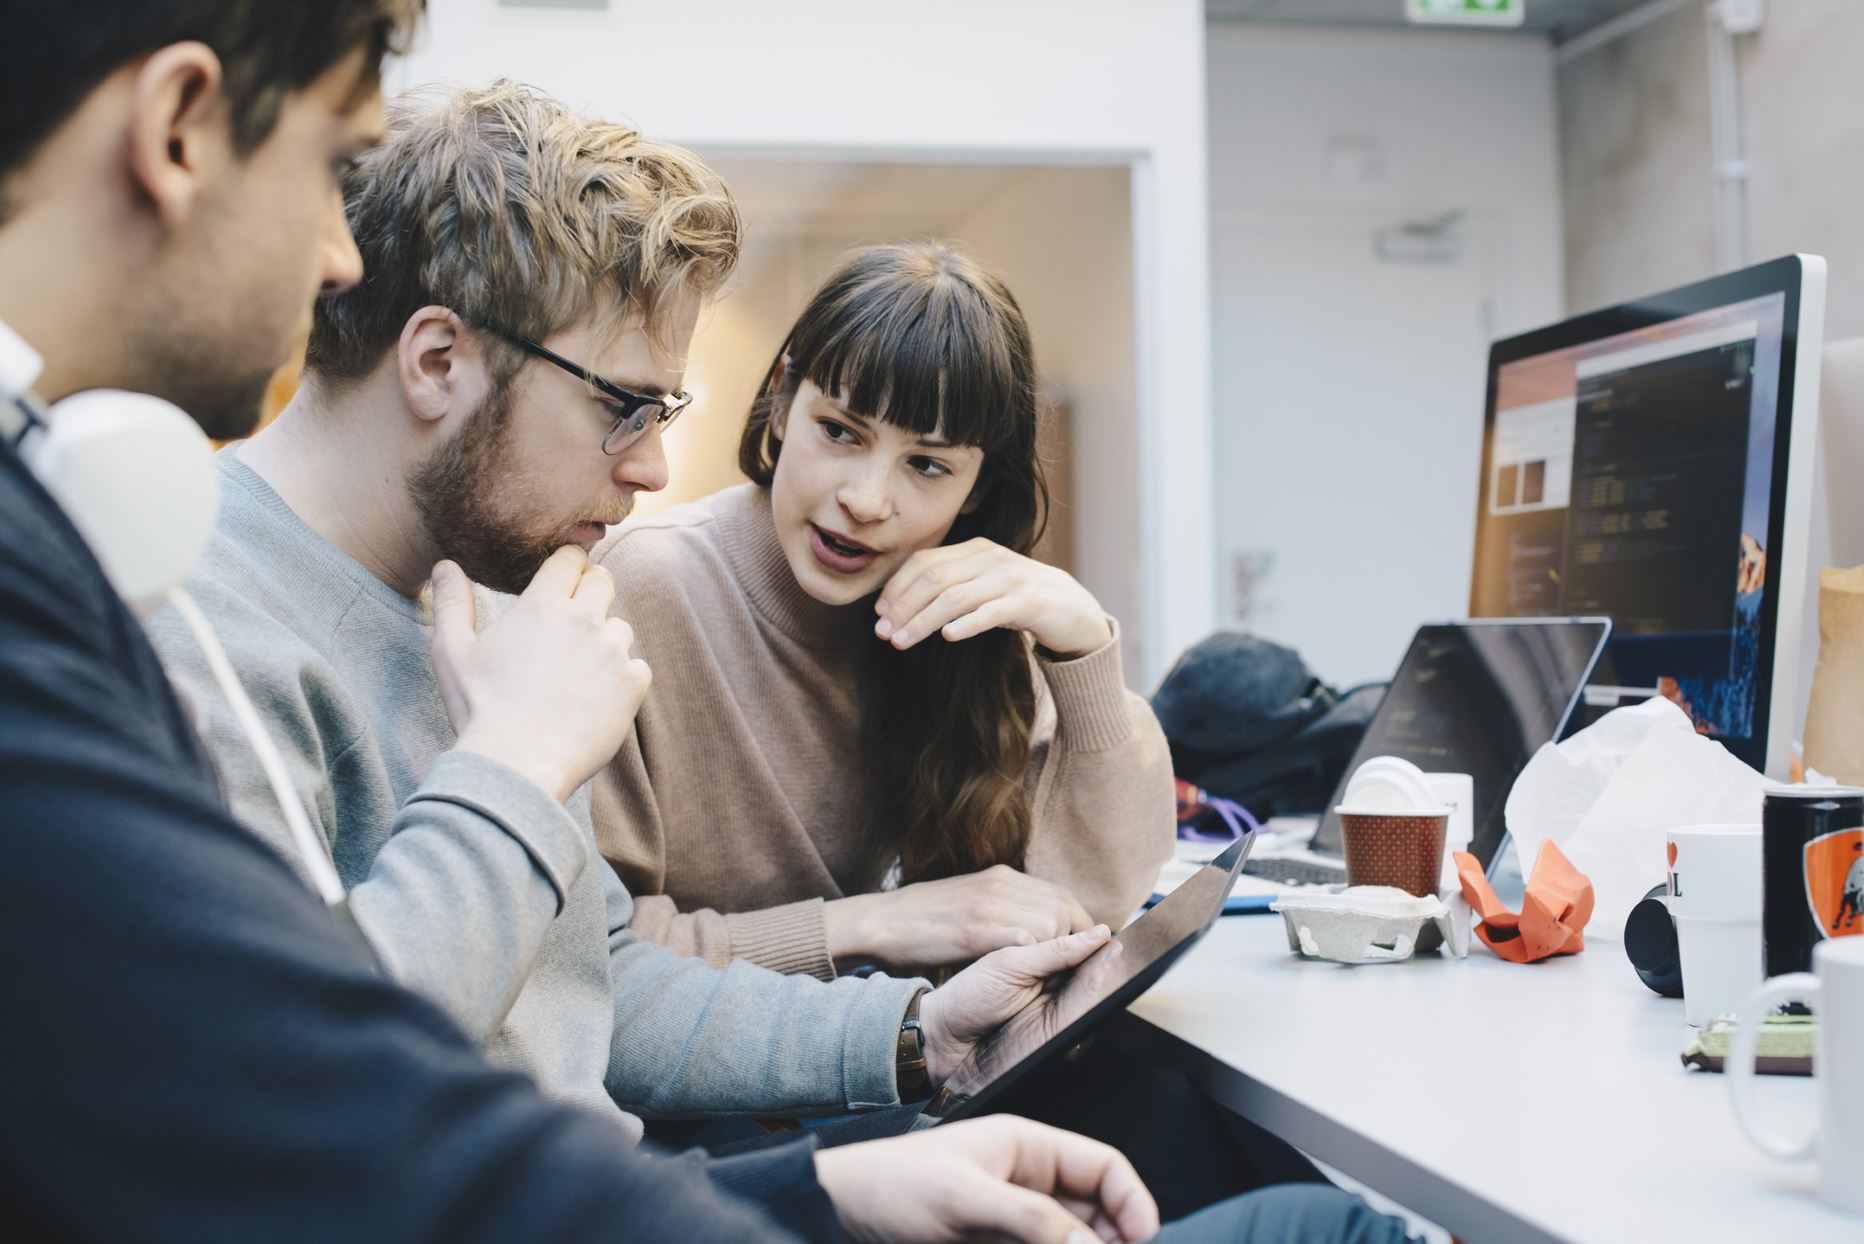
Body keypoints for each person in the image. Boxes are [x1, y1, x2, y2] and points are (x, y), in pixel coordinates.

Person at [0, 5, 1398, 1241]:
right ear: (437, 363)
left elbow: (597, 997)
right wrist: (515, 771)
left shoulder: (478, 604)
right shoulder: (189, 637)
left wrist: (906, 1051)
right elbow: (296, 1110)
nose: (660, 470)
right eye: (625, 407)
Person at [594, 241, 1175, 980]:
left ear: (975, 488)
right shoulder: (644, 587)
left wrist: (1082, 650)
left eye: (927, 465)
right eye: (840, 432)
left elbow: (1094, 902)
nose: (866, 501)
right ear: (781, 402)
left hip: (907, 1075)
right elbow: (586, 962)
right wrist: (876, 925)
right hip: (710, 1089)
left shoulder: (968, 614)